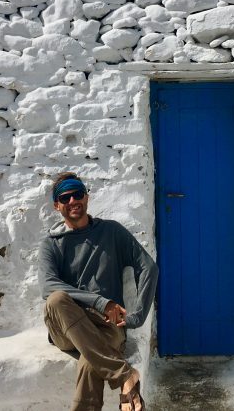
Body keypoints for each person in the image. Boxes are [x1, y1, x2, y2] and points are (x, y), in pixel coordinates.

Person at [41, 172, 158, 411]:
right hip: (67, 327)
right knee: (55, 299)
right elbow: (48, 286)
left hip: (107, 325)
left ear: (87, 197)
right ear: (57, 206)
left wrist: (136, 318)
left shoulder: (111, 232)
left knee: (89, 362)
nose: (73, 201)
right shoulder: (51, 244)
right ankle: (125, 375)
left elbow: (149, 267)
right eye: (65, 198)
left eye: (78, 194)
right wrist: (101, 302)